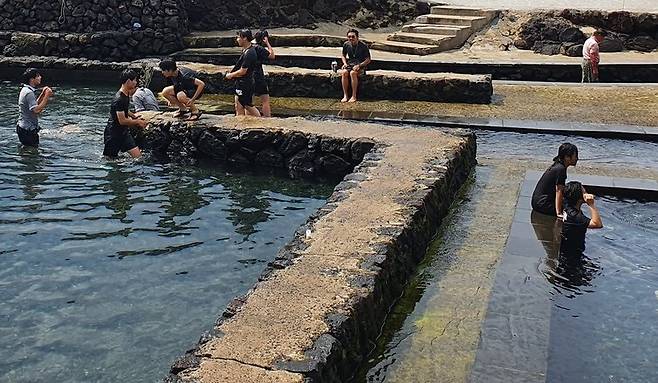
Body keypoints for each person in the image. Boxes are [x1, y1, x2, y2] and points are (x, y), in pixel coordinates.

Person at [103, 69, 148, 159]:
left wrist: (134, 116)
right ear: (128, 81)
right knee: (109, 160)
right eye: (134, 80)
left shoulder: (126, 94)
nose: (136, 82)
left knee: (138, 157)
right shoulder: (119, 99)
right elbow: (122, 120)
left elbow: (124, 110)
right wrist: (138, 122)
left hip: (123, 133)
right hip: (113, 134)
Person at [531, 143, 579, 217]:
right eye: (575, 156)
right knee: (571, 208)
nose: (577, 158)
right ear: (567, 157)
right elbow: (559, 191)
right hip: (543, 205)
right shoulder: (561, 169)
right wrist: (559, 212)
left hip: (537, 203)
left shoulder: (557, 165)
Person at [560, 181, 603, 256]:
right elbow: (597, 224)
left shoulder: (568, 206)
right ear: (579, 197)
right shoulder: (575, 216)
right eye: (584, 192)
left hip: (568, 247)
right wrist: (591, 204)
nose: (587, 193)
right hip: (573, 253)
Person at [226, 29, 261, 117]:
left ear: (244, 38)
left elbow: (243, 71)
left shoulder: (249, 53)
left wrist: (231, 75)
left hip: (245, 83)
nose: (237, 39)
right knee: (238, 105)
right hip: (241, 82)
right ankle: (240, 122)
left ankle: (261, 120)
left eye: (238, 37)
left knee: (247, 105)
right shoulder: (246, 50)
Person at [17, 68, 53, 147]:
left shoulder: (26, 89)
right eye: (38, 76)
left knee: (29, 151)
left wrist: (43, 94)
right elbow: (36, 110)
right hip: (27, 130)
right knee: (31, 154)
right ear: (32, 79)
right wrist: (47, 96)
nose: (40, 77)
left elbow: (34, 106)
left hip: (24, 127)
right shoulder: (29, 92)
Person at [340, 28, 371, 103]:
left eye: (353, 37)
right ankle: (345, 95)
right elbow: (343, 55)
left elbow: (368, 59)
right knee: (344, 73)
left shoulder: (363, 46)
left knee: (352, 73)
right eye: (349, 37)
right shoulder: (346, 44)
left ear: (357, 37)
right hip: (350, 63)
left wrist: (359, 65)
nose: (351, 38)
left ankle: (354, 95)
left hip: (360, 64)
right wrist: (344, 63)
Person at [253, 30, 276, 117]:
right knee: (265, 99)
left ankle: (250, 118)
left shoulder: (249, 47)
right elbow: (272, 56)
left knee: (249, 101)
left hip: (249, 75)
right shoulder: (259, 48)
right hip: (258, 75)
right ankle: (267, 118)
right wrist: (267, 43)